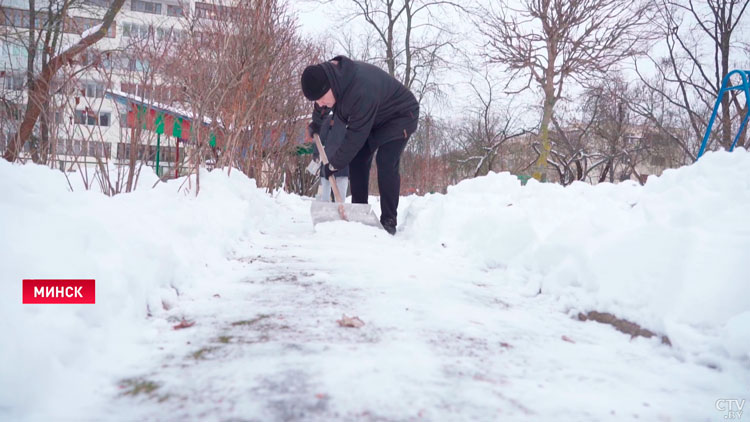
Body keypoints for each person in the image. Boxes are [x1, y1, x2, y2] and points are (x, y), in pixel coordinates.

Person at [301, 56, 419, 235]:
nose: (321, 104)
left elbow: (355, 137)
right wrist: (316, 124)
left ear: (330, 86)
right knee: (358, 159)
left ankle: (389, 221)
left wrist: (334, 163)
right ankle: (360, 212)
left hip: (400, 115)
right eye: (316, 101)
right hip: (374, 117)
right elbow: (322, 106)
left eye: (322, 99)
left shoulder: (360, 91)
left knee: (386, 160)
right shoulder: (330, 80)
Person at [313, 110, 349, 202]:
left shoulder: (349, 120)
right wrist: (316, 153)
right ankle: (330, 209)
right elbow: (320, 138)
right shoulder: (329, 120)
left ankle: (339, 209)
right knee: (327, 191)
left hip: (341, 159)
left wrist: (316, 153)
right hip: (330, 158)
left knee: (339, 191)